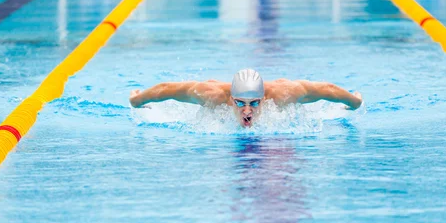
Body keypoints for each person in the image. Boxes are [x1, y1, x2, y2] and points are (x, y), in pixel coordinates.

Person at [129, 69, 363, 128]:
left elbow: (326, 89)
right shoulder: (212, 95)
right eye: (240, 102)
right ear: (230, 98)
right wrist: (137, 101)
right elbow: (167, 88)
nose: (247, 110)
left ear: (264, 98)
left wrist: (354, 102)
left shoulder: (282, 94)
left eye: (254, 103)